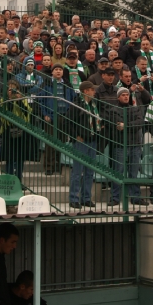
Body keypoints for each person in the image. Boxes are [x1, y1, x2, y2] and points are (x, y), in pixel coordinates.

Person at [66, 81, 102, 209]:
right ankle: (74, 198)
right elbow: (68, 121)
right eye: (92, 89)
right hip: (81, 141)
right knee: (77, 171)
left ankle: (86, 198)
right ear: (86, 91)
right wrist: (75, 136)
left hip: (92, 139)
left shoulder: (94, 105)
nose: (94, 92)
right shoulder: (77, 104)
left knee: (89, 172)